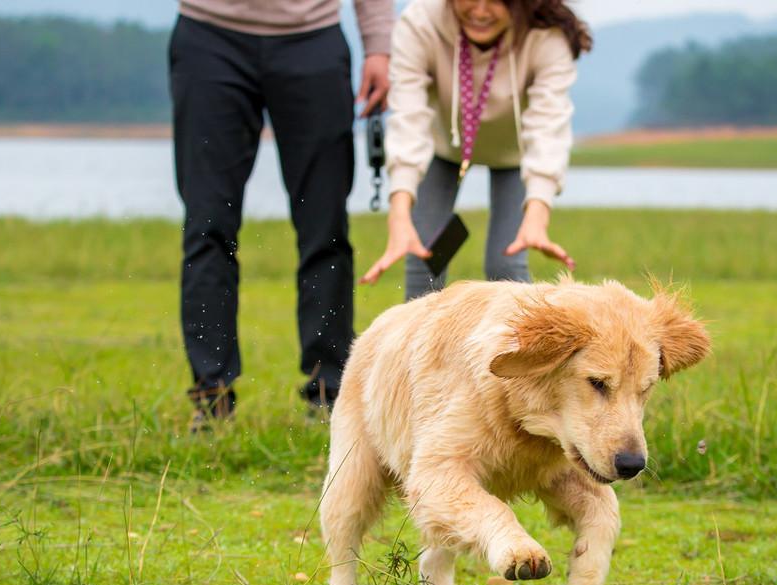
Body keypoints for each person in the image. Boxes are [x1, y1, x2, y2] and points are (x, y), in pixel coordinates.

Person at [170, 0, 393, 429]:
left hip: (313, 38)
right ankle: (211, 398)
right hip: (208, 36)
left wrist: (379, 47)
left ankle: (328, 394)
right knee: (207, 226)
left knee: (324, 229)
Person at [361, 0, 591, 299]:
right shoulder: (419, 23)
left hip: (516, 156)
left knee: (505, 265)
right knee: (424, 259)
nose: (481, 11)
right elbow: (408, 117)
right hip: (441, 147)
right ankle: (417, 346)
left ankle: (517, 346)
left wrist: (538, 213)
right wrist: (399, 211)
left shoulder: (547, 35)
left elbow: (548, 128)